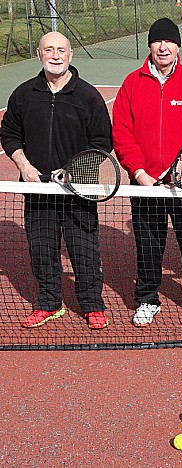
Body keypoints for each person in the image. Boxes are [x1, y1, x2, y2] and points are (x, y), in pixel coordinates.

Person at [0, 32, 112, 329]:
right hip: (37, 192)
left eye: (61, 50)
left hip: (78, 191)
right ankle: (49, 304)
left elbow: (102, 142)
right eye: (48, 49)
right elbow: (9, 134)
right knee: (42, 250)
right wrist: (23, 165)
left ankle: (92, 305)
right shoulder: (23, 94)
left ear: (71, 55)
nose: (55, 55)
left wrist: (79, 169)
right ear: (39, 54)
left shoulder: (88, 96)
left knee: (84, 250)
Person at [112, 18, 182, 326]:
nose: (163, 47)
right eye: (158, 41)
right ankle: (147, 299)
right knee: (148, 246)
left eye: (169, 42)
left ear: (177, 46)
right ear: (150, 45)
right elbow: (121, 131)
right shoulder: (132, 83)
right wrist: (139, 171)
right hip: (146, 185)